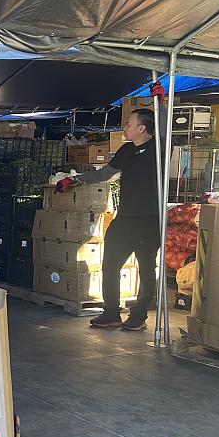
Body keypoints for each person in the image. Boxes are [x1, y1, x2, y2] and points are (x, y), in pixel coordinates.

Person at [62, 108, 159, 331]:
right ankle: (112, 312)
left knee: (146, 268)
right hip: (124, 218)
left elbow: (168, 130)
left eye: (128, 123)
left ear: (142, 128)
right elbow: (104, 174)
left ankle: (139, 315)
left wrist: (161, 104)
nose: (124, 127)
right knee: (110, 265)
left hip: (148, 219)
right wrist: (75, 180)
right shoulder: (126, 150)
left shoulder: (159, 148)